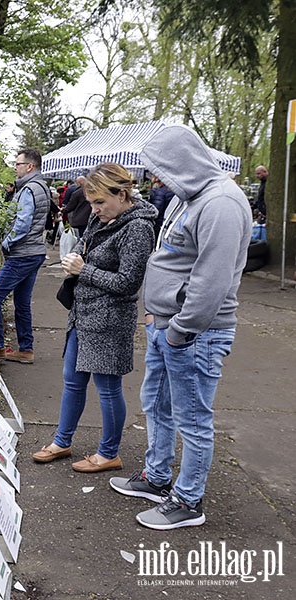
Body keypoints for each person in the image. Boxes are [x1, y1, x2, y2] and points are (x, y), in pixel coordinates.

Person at [109, 125, 251, 530]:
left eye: (160, 170)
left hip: (194, 334)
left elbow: (212, 280)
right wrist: (158, 314)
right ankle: (156, 478)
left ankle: (188, 501)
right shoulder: (191, 198)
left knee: (192, 418)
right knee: (157, 403)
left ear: (181, 162)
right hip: (169, 325)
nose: (155, 179)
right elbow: (172, 259)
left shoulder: (221, 203)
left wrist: (180, 330)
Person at [32, 163, 157, 471]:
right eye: (91, 203)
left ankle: (109, 452)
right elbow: (85, 249)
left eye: (100, 202)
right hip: (83, 313)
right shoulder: (101, 218)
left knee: (107, 387)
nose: (94, 209)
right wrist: (75, 258)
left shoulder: (138, 227)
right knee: (72, 380)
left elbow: (128, 282)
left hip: (110, 320)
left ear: (122, 194)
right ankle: (62, 441)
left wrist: (82, 269)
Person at [0, 149, 50, 364]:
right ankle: (26, 349)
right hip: (35, 251)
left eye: (18, 163)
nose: (15, 167)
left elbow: (22, 223)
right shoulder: (41, 187)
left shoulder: (29, 189)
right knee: (22, 302)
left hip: (23, 253)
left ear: (30, 166)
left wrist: (6, 242)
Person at [147, 174, 174, 239]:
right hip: (169, 221)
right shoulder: (172, 191)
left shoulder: (159, 191)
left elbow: (156, 210)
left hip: (159, 224)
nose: (153, 180)